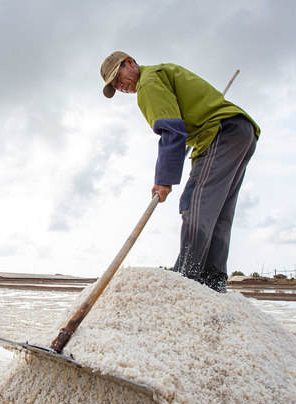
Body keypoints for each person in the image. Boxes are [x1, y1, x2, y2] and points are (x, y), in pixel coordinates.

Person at [100, 51, 260, 292]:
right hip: (241, 132)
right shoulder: (163, 72)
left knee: (196, 202)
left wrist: (163, 180)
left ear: (130, 63)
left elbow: (172, 131)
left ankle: (186, 279)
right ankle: (213, 280)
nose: (120, 86)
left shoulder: (148, 83)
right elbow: (184, 123)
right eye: (114, 85)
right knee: (219, 211)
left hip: (221, 132)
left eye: (118, 78)